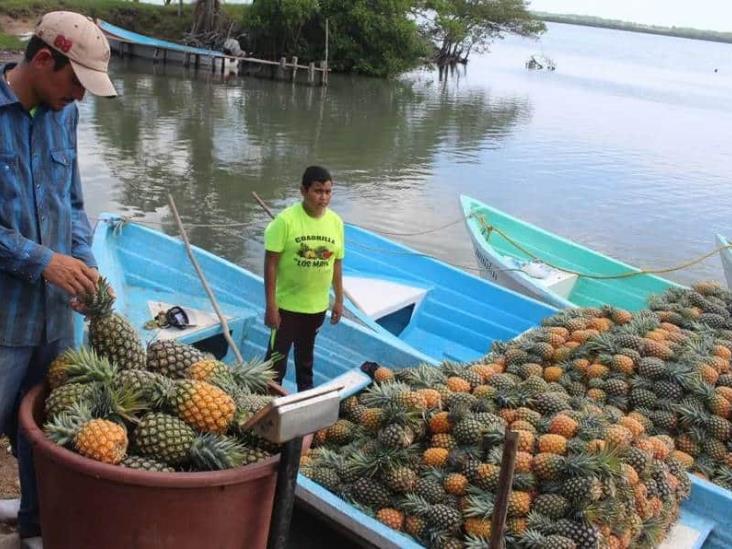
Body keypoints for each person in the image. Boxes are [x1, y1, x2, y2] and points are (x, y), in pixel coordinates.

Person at [0, 11, 117, 543]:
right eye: (76, 84)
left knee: (45, 432)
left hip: (53, 321)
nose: (80, 98)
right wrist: (41, 260)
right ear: (44, 59)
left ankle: (33, 529)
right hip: (2, 320)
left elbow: (72, 200)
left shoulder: (63, 115)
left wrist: (81, 258)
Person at [264, 166, 344, 391]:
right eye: (318, 191)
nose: (324, 197)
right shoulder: (285, 221)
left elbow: (336, 262)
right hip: (286, 306)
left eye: (328, 192)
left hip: (316, 307)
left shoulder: (336, 222)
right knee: (275, 361)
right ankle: (266, 406)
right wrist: (271, 305)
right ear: (303, 190)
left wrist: (338, 299)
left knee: (305, 360)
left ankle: (304, 403)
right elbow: (270, 264)